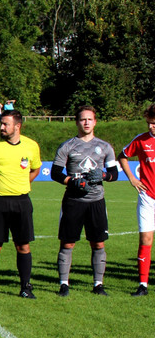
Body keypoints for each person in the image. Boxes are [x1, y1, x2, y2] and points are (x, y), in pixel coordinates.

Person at [51, 105, 119, 296]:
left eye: (90, 119)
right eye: (83, 119)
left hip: (96, 201)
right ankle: (64, 284)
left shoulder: (105, 146)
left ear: (95, 122)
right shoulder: (67, 146)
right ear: (77, 122)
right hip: (73, 201)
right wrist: (71, 181)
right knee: (67, 243)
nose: (86, 122)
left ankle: (98, 284)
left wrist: (104, 175)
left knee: (98, 243)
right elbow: (55, 173)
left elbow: (114, 173)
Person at [0, 109, 42, 298]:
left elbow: (36, 170)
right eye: (1, 123)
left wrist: (21, 184)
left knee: (23, 246)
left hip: (22, 201)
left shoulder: (31, 146)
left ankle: (25, 287)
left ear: (18, 126)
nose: (2, 127)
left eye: (6, 124)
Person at [117, 103, 155, 296]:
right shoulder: (141, 141)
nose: (151, 127)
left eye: (154, 123)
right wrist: (132, 178)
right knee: (145, 239)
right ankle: (143, 285)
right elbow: (122, 156)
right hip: (147, 197)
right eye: (149, 123)